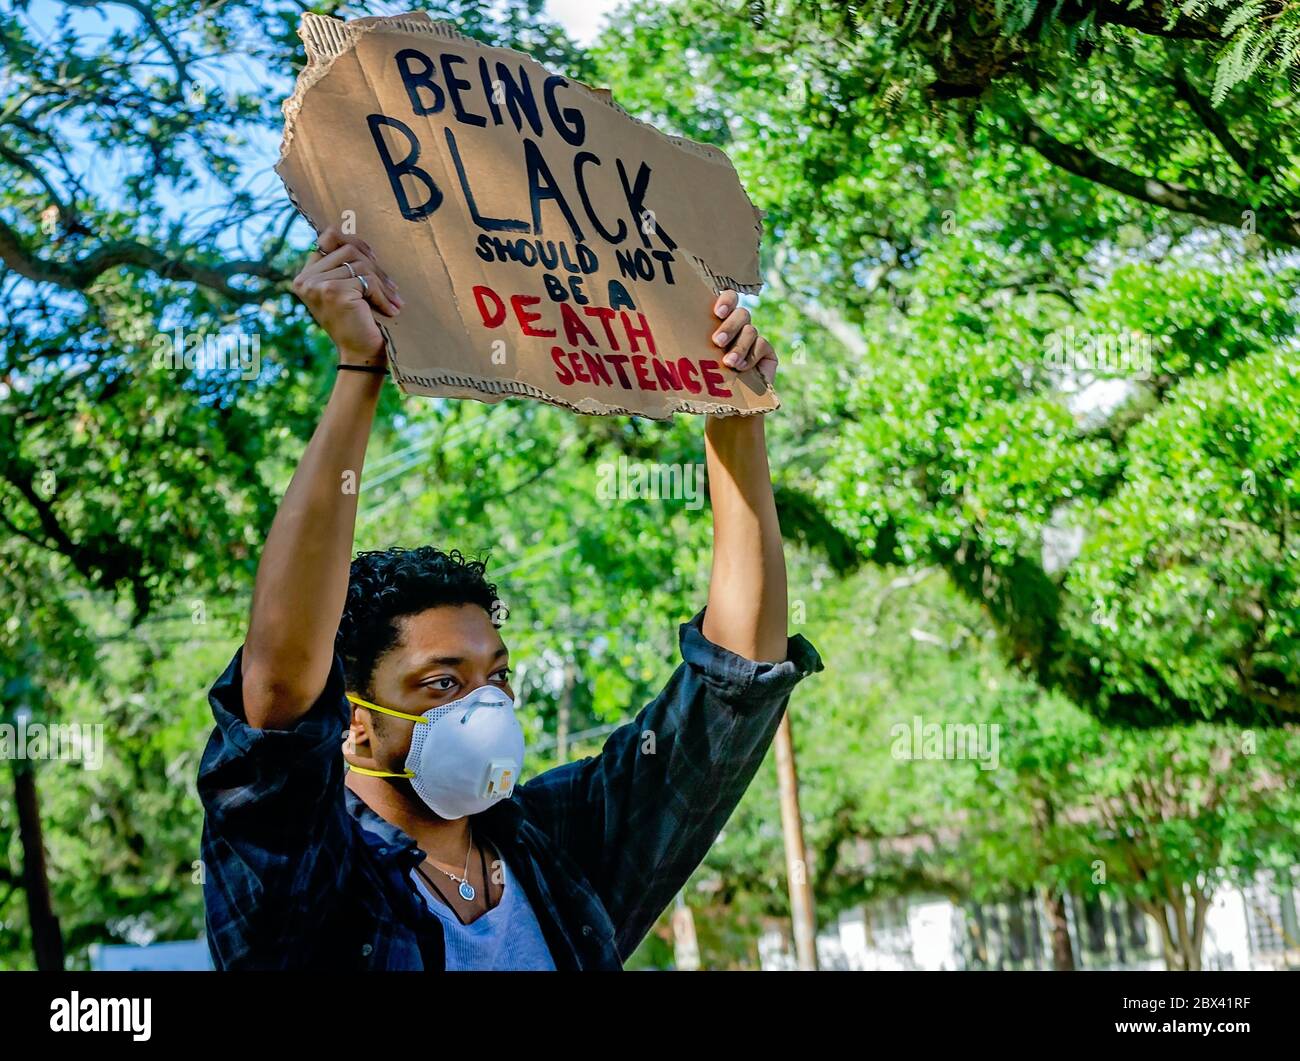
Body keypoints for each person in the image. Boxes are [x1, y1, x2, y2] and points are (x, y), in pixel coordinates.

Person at [197, 224, 822, 970]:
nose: (484, 705)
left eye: (495, 675)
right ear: (353, 722)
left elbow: (733, 683)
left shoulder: (558, 848)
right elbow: (276, 695)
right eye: (442, 682)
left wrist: (732, 417)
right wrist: (358, 369)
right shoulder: (309, 882)